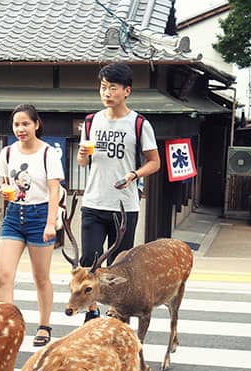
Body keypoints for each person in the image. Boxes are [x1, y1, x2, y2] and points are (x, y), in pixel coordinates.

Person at [76, 62, 161, 320]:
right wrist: (81, 156)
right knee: (88, 260)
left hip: (124, 205)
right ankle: (91, 311)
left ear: (127, 91)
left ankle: (116, 312)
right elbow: (83, 162)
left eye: (113, 87)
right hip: (93, 201)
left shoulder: (139, 124)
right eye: (103, 87)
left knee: (120, 266)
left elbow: (155, 162)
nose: (107, 92)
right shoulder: (91, 121)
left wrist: (134, 174)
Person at [0, 104, 63, 347]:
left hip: (40, 214)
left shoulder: (48, 153)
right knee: (4, 275)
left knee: (40, 277)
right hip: (14, 216)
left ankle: (44, 326)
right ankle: (7, 327)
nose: (20, 129)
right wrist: (4, 191)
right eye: (16, 124)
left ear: (36, 124)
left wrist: (50, 224)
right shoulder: (8, 152)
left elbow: (54, 190)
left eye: (25, 124)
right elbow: (4, 182)